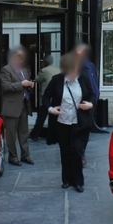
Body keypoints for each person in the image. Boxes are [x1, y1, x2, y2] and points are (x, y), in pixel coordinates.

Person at [42, 53, 96, 192]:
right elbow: (46, 97)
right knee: (65, 152)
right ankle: (66, 180)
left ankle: (78, 182)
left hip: (80, 123)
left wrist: (90, 104)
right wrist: (50, 109)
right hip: (62, 122)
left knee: (76, 151)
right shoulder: (56, 80)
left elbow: (92, 95)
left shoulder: (83, 79)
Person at [0, 46, 35, 166]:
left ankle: (26, 155)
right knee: (11, 134)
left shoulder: (24, 69)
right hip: (11, 107)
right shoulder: (6, 70)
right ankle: (13, 157)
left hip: (24, 105)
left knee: (24, 133)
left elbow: (26, 83)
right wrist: (21, 84)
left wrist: (30, 84)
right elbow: (6, 87)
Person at [73, 43, 100, 166]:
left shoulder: (90, 65)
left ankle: (81, 152)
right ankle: (79, 155)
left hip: (91, 103)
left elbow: (94, 84)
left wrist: (94, 100)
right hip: (79, 105)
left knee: (86, 132)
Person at [29, 55, 61, 141]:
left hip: (46, 98)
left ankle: (34, 134)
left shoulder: (44, 70)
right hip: (57, 98)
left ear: (45, 62)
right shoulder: (58, 70)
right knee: (55, 119)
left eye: (43, 62)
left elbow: (37, 80)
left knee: (41, 118)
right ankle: (55, 135)